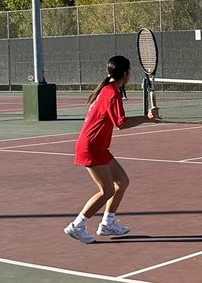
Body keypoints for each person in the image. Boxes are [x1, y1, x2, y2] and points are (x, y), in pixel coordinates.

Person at [64, 55, 160, 244]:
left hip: (99, 147)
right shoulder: (111, 93)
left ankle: (107, 223)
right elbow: (121, 123)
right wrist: (146, 118)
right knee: (106, 190)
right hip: (91, 147)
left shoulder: (109, 89)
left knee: (122, 181)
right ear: (126, 74)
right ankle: (77, 226)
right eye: (129, 71)